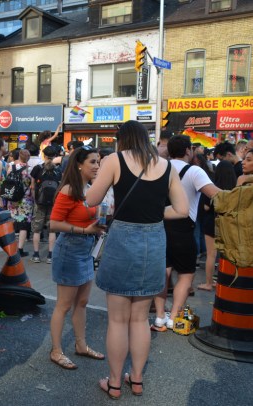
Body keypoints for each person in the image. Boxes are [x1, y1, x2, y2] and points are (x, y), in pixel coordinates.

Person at [85, 120, 188, 400]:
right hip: (154, 242)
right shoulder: (166, 166)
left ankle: (115, 383)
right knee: (141, 319)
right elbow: (181, 209)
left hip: (122, 242)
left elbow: (92, 199)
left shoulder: (115, 160)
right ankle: (138, 379)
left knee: (118, 320)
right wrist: (153, 213)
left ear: (122, 139)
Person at [152, 135, 220, 333]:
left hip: (159, 224)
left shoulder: (158, 167)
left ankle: (158, 317)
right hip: (184, 227)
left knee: (162, 272)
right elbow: (215, 193)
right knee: (186, 274)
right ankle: (173, 317)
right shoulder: (194, 171)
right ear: (189, 150)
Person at [48, 146, 105, 370]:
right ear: (79, 164)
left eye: (98, 162)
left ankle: (81, 345)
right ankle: (56, 350)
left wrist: (97, 228)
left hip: (86, 251)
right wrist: (84, 231)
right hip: (70, 250)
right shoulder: (69, 190)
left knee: (82, 302)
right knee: (63, 305)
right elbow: (53, 224)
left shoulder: (89, 189)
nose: (97, 166)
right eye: (92, 162)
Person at [197, 160, 237, 291]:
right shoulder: (236, 188)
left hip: (212, 222)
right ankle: (227, 282)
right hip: (228, 223)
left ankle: (208, 283)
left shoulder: (211, 186)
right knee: (228, 255)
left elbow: (206, 207)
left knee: (211, 255)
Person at [29, 146, 60, 263]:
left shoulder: (37, 169)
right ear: (55, 156)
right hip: (54, 203)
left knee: (37, 230)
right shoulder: (59, 170)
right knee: (52, 230)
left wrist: (35, 199)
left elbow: (32, 186)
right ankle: (50, 256)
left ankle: (36, 255)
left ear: (44, 155)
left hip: (39, 203)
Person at [7, 149, 33, 257]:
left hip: (12, 198)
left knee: (12, 222)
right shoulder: (30, 170)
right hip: (26, 199)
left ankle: (11, 248)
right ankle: (20, 249)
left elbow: (7, 181)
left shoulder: (11, 167)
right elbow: (32, 185)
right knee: (23, 225)